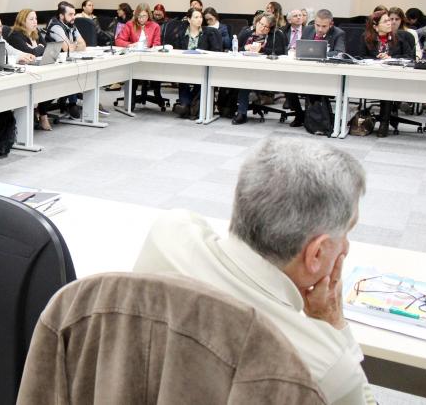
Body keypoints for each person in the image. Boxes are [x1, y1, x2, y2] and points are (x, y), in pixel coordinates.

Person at [134, 138, 374, 405]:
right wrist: (334, 326)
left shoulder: (168, 233)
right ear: (316, 253)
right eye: (346, 234)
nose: (347, 247)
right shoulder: (327, 368)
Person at [357, 10, 415, 137]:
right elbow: (360, 57)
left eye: (389, 20)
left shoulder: (399, 37)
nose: (390, 23)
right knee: (385, 85)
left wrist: (390, 57)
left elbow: (410, 57)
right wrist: (376, 59)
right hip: (372, 75)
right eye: (386, 21)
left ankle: (384, 122)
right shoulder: (366, 38)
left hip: (394, 77)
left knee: (387, 86)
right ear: (375, 26)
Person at [285, 9, 347, 128]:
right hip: (306, 70)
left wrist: (321, 53)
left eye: (324, 26)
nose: (319, 29)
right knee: (288, 83)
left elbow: (340, 53)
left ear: (331, 24)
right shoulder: (308, 29)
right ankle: (299, 115)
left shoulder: (338, 33)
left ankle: (315, 118)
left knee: (313, 88)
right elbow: (302, 48)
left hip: (326, 75)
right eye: (317, 25)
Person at [232, 13, 287, 125]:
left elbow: (280, 52)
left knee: (245, 79)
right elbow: (234, 49)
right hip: (245, 68)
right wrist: (246, 48)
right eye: (261, 24)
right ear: (256, 22)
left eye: (266, 27)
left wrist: (261, 50)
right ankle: (241, 113)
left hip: (267, 70)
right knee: (244, 78)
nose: (262, 27)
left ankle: (242, 111)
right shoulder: (246, 32)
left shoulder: (276, 35)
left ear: (270, 29)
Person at [172, 8, 221, 119]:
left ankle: (188, 106)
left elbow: (217, 51)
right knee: (183, 79)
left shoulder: (209, 33)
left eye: (200, 17)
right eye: (196, 17)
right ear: (189, 19)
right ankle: (187, 106)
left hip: (203, 68)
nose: (200, 20)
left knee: (200, 81)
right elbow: (176, 52)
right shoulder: (181, 34)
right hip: (185, 68)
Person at [116, 3, 165, 112]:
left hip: (150, 59)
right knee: (133, 75)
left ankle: (157, 95)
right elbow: (119, 40)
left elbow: (157, 44)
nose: (141, 19)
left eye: (144, 16)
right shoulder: (130, 24)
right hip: (134, 60)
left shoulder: (155, 26)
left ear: (149, 15)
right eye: (139, 16)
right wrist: (129, 44)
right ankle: (131, 101)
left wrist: (152, 48)